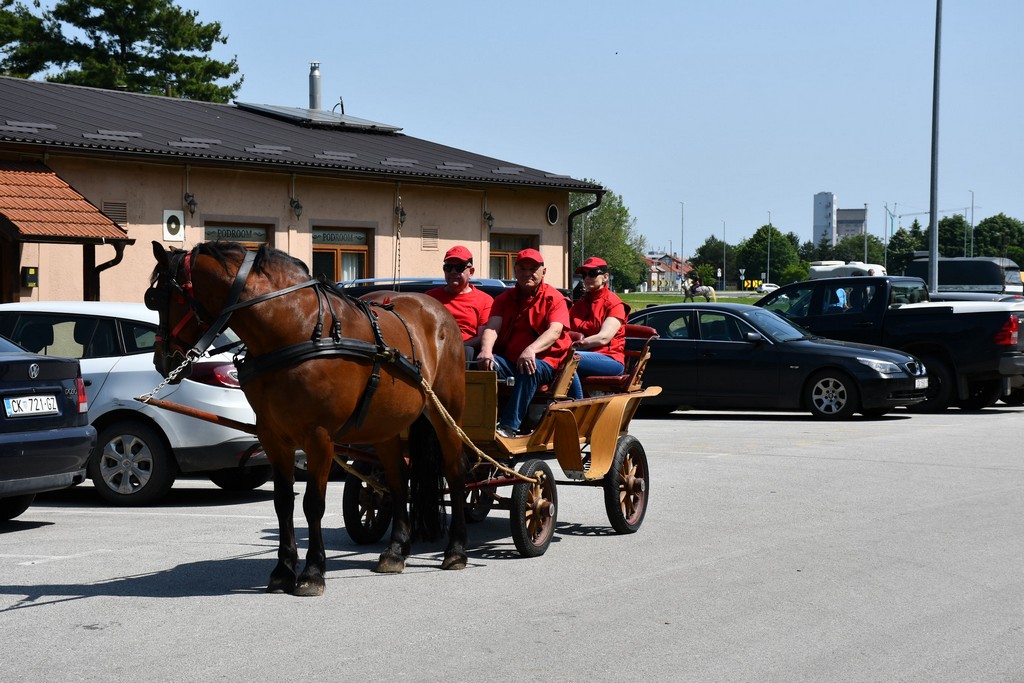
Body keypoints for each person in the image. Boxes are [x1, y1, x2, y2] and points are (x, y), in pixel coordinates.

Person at [478, 248, 572, 437]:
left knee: (530, 367)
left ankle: (508, 427)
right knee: (481, 364)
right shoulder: (504, 299)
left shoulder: (555, 298)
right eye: (522, 268)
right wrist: (486, 351)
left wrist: (531, 349)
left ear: (543, 272)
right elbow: (492, 327)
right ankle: (478, 423)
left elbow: (554, 331)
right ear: (515, 271)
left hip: (546, 362)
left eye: (533, 268)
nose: (527, 273)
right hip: (511, 360)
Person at [566, 257, 627, 400]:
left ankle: (577, 406)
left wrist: (575, 345)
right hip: (582, 355)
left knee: (569, 360)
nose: (587, 278)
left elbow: (604, 338)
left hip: (610, 359)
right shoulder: (580, 304)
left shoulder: (614, 304)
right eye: (584, 275)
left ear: (605, 277)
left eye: (592, 273)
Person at [425, 246, 493, 362]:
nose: (453, 272)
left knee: (468, 351)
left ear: (471, 272)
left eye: (459, 268)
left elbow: (483, 337)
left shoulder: (485, 300)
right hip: (432, 352)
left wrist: (457, 345)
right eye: (448, 267)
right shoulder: (429, 298)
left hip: (464, 355)